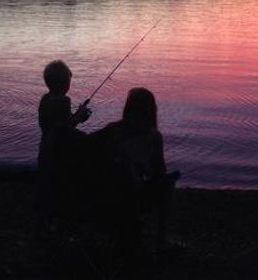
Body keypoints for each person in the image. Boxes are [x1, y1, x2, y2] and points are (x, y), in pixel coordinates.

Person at [90, 87, 178, 254]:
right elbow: (158, 173)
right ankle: (161, 241)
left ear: (127, 108)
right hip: (131, 200)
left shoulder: (111, 130)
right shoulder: (154, 137)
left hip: (103, 198)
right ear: (152, 111)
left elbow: (88, 146)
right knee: (167, 185)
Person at [36, 59, 91, 221]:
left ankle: (45, 207)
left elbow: (56, 124)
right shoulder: (64, 101)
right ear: (65, 84)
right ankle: (61, 212)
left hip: (45, 146)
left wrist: (75, 116)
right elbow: (66, 129)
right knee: (62, 180)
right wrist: (80, 117)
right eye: (69, 81)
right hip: (60, 150)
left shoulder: (44, 99)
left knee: (47, 180)